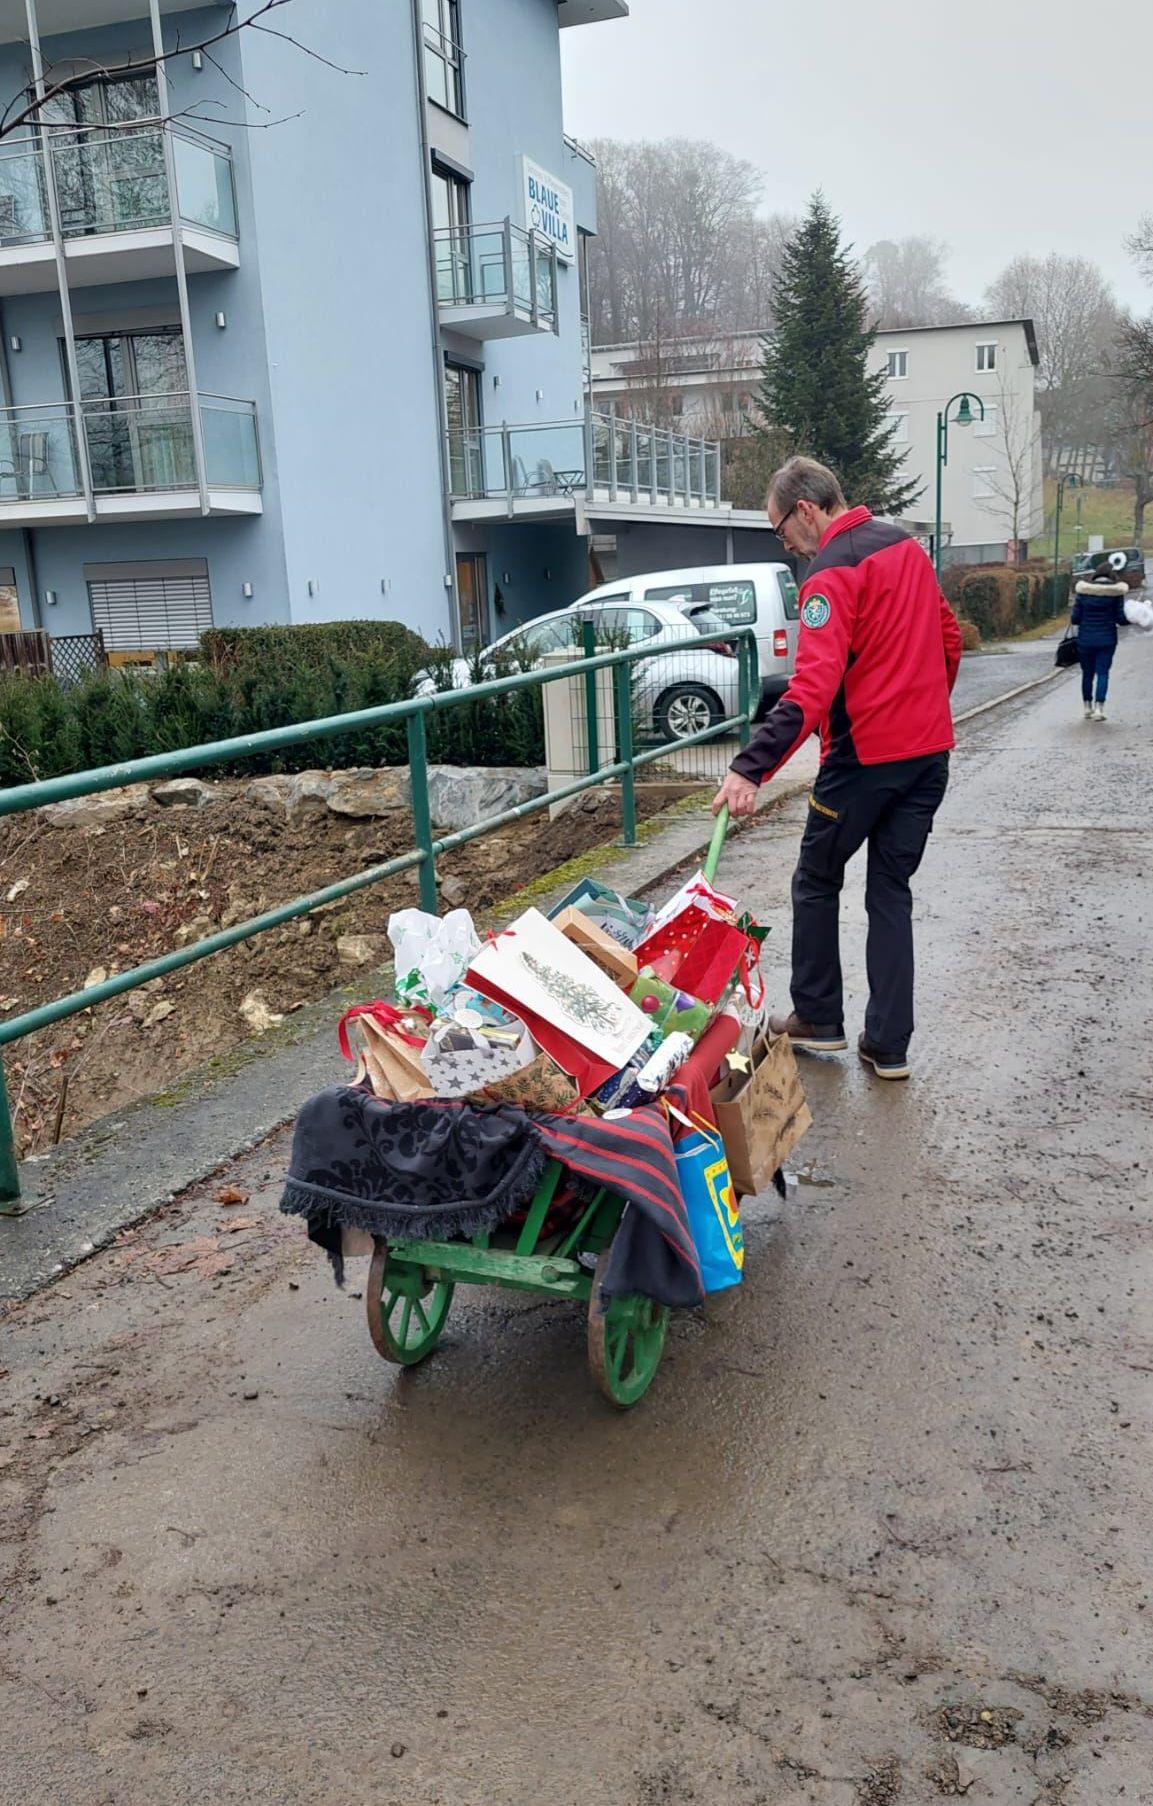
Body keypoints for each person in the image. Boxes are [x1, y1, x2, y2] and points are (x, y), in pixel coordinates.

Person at [711, 456, 961, 1081]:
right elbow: (948, 638)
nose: (787, 546)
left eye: (780, 532)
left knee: (816, 880)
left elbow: (811, 688)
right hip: (927, 756)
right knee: (890, 893)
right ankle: (888, 1046)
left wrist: (749, 768)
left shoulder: (830, 574)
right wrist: (922, 710)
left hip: (863, 762)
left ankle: (819, 1019)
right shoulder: (906, 546)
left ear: (805, 509)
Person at [1070, 555, 1132, 721]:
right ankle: (1099, 709)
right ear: (1112, 576)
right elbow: (1121, 619)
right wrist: (1133, 619)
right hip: (1107, 639)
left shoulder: (1083, 593)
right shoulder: (1115, 594)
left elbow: (1075, 619)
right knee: (1103, 673)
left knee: (1087, 674)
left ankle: (1086, 707)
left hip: (1085, 640)